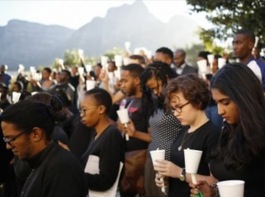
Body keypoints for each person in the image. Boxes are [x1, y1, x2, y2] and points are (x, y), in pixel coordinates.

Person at [190, 63, 265, 197]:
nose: (219, 111)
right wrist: (213, 191)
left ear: (244, 98)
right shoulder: (229, 130)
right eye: (217, 103)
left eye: (225, 102)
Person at [1, 100, 87, 197]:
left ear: (36, 134)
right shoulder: (42, 161)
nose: (8, 146)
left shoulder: (61, 169)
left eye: (11, 139)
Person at [153, 74, 220, 197]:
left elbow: (215, 182)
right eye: (173, 109)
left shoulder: (213, 134)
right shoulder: (183, 130)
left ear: (197, 101)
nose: (176, 113)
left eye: (179, 107)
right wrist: (166, 177)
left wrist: (180, 173)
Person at [140, 61, 182, 197]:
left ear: (167, 78)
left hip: (171, 163)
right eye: (151, 89)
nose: (156, 92)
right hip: (153, 160)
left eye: (157, 87)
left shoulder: (180, 102)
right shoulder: (158, 102)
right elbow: (154, 135)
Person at [79, 88, 125, 193]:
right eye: (81, 110)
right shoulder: (95, 133)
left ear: (101, 109)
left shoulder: (111, 135)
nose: (82, 115)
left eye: (85, 110)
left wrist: (75, 174)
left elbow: (105, 180)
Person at [118, 64, 151, 197]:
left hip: (142, 163)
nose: (122, 85)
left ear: (137, 80)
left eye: (125, 81)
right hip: (127, 163)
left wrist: (144, 174)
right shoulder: (128, 101)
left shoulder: (149, 102)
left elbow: (155, 139)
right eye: (121, 81)